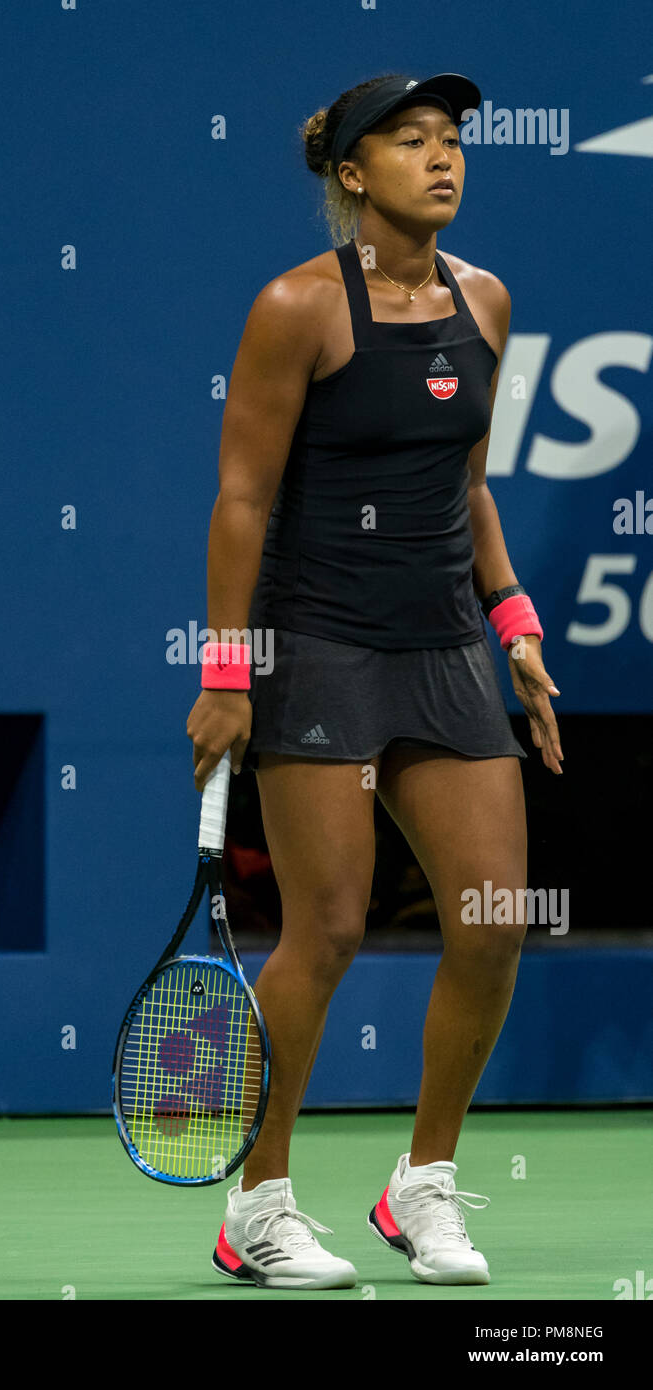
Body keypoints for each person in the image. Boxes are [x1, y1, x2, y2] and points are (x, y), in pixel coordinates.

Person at [186, 71, 563, 1291]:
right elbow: (241, 497)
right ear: (352, 174)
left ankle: (423, 1186)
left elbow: (466, 483)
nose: (441, 159)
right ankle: (258, 1204)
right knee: (329, 927)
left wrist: (511, 619)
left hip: (446, 647)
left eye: (451, 141)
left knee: (493, 923)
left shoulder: (485, 300)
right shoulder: (296, 308)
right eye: (410, 142)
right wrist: (227, 668)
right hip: (321, 648)